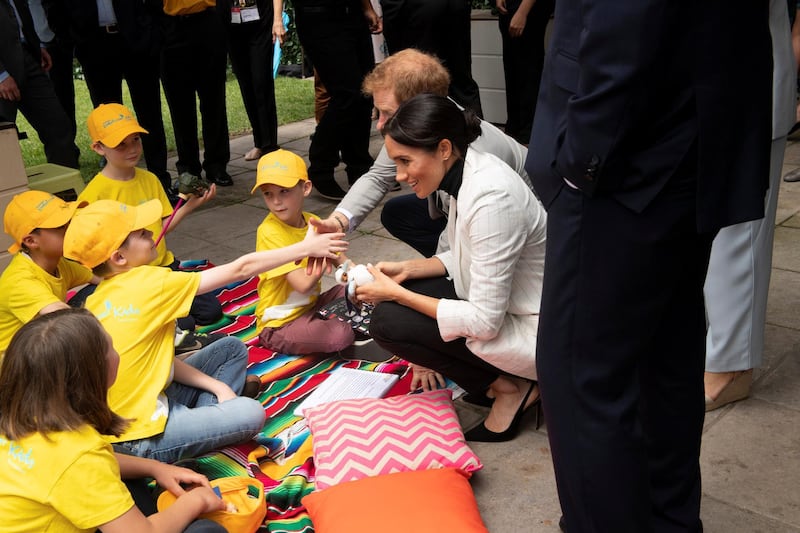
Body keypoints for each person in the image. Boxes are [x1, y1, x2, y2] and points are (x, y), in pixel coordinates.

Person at [526, 2, 773, 532]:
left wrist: (582, 160)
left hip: (629, 156)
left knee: (581, 375)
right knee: (666, 361)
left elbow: (627, 19)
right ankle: (672, 522)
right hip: (688, 137)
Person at [62, 199, 347, 463]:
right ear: (119, 258)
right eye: (142, 233)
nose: (152, 234)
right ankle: (206, 423)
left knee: (230, 348)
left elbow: (155, 361)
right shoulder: (149, 282)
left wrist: (217, 386)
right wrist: (304, 248)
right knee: (251, 413)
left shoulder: (96, 298)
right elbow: (241, 269)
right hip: (142, 437)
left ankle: (207, 416)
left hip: (136, 406)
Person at [360, 94, 547, 442]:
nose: (399, 176)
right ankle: (501, 382)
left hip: (538, 328)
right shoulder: (466, 170)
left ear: (443, 148)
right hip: (508, 306)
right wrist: (408, 270)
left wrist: (399, 294)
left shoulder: (491, 197)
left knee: (390, 319)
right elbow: (469, 253)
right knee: (396, 307)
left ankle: (513, 387)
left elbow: (484, 322)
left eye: (405, 161)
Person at [0, 308, 228, 533]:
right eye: (110, 346)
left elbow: (83, 465)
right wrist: (197, 501)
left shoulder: (22, 416)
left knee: (125, 469)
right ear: (93, 374)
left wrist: (156, 468)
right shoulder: (80, 454)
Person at [309, 48, 530, 259]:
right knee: (397, 213)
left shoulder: (475, 159)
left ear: (419, 105)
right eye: (378, 112)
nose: (379, 125)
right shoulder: (417, 126)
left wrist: (429, 271)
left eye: (387, 113)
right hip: (469, 214)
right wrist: (338, 222)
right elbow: (377, 177)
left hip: (512, 226)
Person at [703, 0, 796, 411]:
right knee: (703, 223)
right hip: (692, 72)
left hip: (750, 74)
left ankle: (732, 363)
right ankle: (709, 339)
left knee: (739, 230)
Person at [75, 102, 222, 334]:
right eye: (120, 145)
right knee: (185, 323)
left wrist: (191, 205)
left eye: (135, 139)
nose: (132, 149)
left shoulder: (150, 179)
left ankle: (160, 312)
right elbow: (87, 256)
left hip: (162, 267)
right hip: (127, 276)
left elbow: (162, 228)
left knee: (211, 310)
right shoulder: (92, 196)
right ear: (99, 148)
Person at [51, 0, 172, 195]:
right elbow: (56, 7)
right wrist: (73, 37)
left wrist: (155, 33)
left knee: (150, 114)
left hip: (137, 39)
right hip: (94, 44)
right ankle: (120, 189)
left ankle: (161, 183)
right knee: (108, 121)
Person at [252, 149, 354, 354]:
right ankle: (348, 327)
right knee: (340, 335)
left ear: (306, 188)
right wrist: (318, 251)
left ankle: (345, 322)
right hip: (280, 325)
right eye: (268, 194)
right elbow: (302, 284)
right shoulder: (269, 232)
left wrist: (360, 278)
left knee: (361, 292)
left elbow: (343, 262)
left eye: (284, 191)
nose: (276, 201)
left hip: (313, 307)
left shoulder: (312, 221)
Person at [292, 0, 381, 200]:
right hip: (319, 17)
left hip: (353, 14)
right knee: (347, 95)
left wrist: (366, 8)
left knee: (365, 93)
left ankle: (359, 168)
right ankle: (320, 167)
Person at [0, 190, 97, 353]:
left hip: (40, 350)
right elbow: (68, 323)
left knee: (96, 292)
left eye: (69, 223)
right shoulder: (20, 281)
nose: (70, 229)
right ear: (31, 241)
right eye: (61, 227)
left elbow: (101, 277)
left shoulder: (59, 264)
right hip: (17, 366)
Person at [160, 0, 232, 186]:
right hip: (170, 25)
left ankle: (216, 164)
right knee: (180, 105)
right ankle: (188, 168)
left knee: (213, 99)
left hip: (207, 20)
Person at [0, 0, 79, 168]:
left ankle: (66, 190)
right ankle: (9, 192)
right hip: (2, 67)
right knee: (3, 138)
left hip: (27, 55)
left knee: (58, 127)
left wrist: (34, 46)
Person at [379, 0, 483, 118]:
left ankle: (424, 132)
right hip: (452, 6)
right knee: (460, 78)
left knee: (414, 79)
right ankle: (473, 132)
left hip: (416, 8)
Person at [222, 0, 284, 162]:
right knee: (246, 84)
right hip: (232, 25)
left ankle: (270, 145)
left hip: (261, 23)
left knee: (261, 82)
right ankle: (260, 142)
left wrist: (278, 20)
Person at [495, 0, 554, 145]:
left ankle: (529, 135)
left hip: (530, 8)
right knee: (512, 69)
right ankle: (514, 130)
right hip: (510, 7)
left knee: (529, 71)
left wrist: (523, 11)